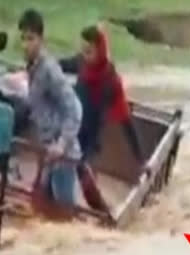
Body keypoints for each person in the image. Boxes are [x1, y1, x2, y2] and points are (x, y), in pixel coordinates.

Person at [18, 8, 83, 209]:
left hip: (62, 155)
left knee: (64, 216)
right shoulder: (32, 68)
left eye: (31, 39)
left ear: (41, 39)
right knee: (43, 212)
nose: (26, 45)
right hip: (48, 152)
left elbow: (74, 108)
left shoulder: (49, 70)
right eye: (23, 39)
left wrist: (62, 144)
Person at [59, 24, 144, 165]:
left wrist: (140, 159)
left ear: (101, 51)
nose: (84, 56)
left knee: (80, 170)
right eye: (83, 50)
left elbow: (126, 122)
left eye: (89, 51)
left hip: (90, 141)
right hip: (70, 129)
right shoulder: (81, 63)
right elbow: (59, 65)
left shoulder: (111, 81)